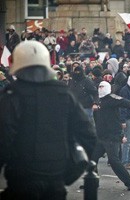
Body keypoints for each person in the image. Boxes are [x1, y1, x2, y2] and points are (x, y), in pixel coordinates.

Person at [0, 40, 97, 200]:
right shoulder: (64, 94)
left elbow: (3, 139)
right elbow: (89, 135)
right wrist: (70, 172)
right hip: (56, 181)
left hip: (21, 181)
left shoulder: (12, 96)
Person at [91, 81, 130, 191]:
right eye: (99, 86)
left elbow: (124, 102)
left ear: (108, 88)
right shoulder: (99, 100)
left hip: (112, 136)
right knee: (91, 159)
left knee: (114, 161)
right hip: (101, 136)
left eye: (102, 87)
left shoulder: (111, 98)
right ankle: (93, 182)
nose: (100, 89)